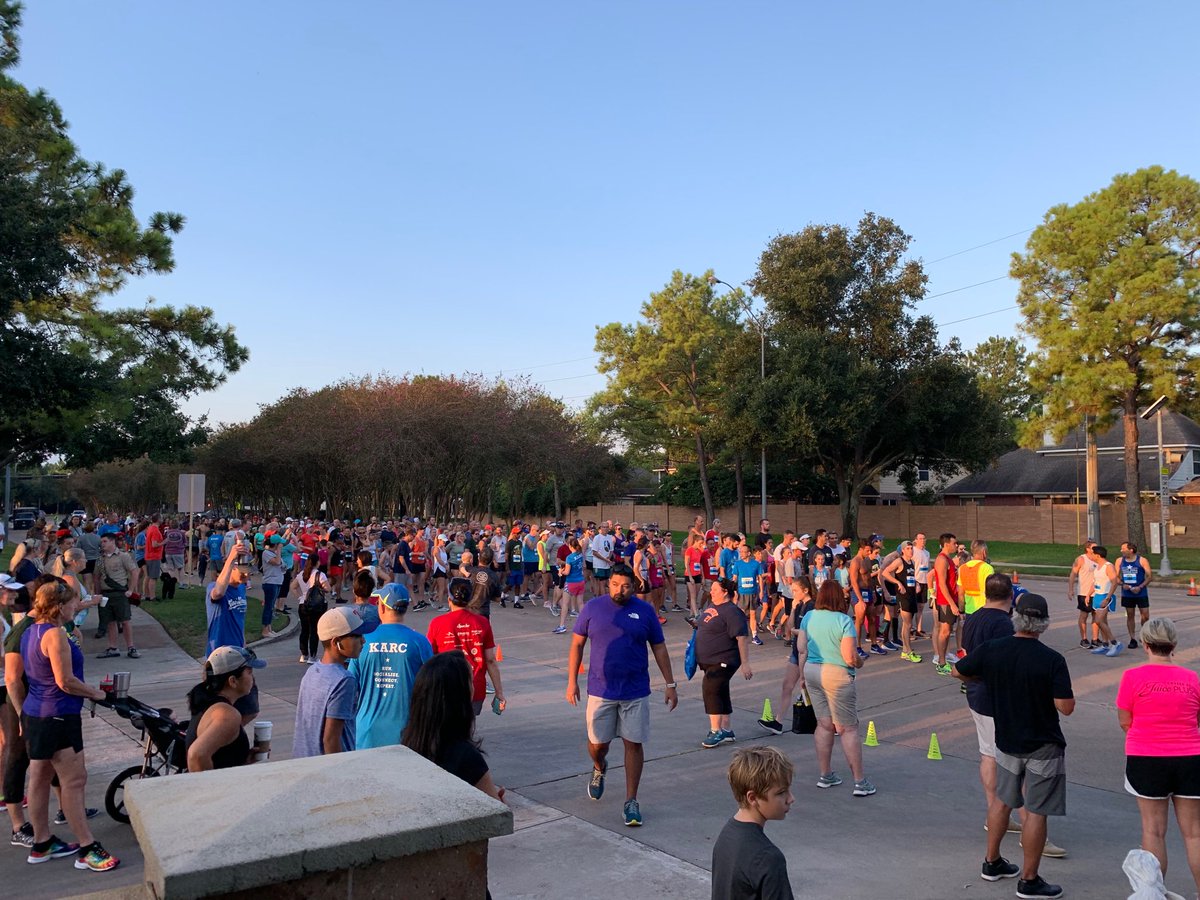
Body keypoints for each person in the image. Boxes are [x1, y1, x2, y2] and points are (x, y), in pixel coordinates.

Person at [953, 593, 1073, 900]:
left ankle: (992, 861)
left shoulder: (994, 649)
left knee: (1002, 801)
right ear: (1044, 624)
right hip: (1043, 743)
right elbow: (1066, 706)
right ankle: (1029, 880)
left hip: (1006, 739)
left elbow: (957, 670)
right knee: (1037, 811)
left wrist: (984, 676)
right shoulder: (1052, 659)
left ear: (1015, 618)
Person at [17, 580, 118, 871]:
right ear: (60, 607)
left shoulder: (30, 630)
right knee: (74, 781)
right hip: (58, 714)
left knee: (39, 778)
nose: (77, 605)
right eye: (73, 602)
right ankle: (87, 848)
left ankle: (41, 843)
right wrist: (97, 693)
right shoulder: (54, 635)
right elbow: (65, 681)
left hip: (35, 713)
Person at [567, 561, 677, 827]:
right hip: (601, 690)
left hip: (635, 690)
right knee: (598, 744)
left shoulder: (645, 611)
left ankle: (631, 800)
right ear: (608, 584)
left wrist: (670, 684)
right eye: (615, 585)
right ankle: (599, 766)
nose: (619, 590)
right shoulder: (593, 608)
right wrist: (572, 682)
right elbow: (577, 644)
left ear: (633, 587)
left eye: (626, 586)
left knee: (633, 743)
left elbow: (659, 647)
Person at [1116, 616, 1200, 895]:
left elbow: (1125, 721)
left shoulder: (1132, 677)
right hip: (1189, 756)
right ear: (1173, 645)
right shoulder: (1191, 678)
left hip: (1147, 757)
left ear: (1145, 644)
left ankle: (1154, 894)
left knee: (1153, 830)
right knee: (1194, 833)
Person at [795, 580, 874, 797]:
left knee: (824, 724)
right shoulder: (844, 620)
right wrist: (860, 663)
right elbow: (849, 657)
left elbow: (801, 648)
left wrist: (802, 675)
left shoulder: (809, 616)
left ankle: (825, 774)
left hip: (812, 670)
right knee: (848, 728)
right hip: (836, 674)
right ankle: (859, 781)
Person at [349, 584, 433, 749]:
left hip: (367, 730)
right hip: (407, 731)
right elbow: (431, 688)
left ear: (381, 607)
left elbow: (350, 686)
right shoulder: (420, 642)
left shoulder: (363, 640)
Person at [710, 745, 795, 900]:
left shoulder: (727, 835)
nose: (790, 799)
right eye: (781, 792)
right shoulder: (768, 858)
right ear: (753, 798)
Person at [292, 607, 370, 758]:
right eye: (357, 636)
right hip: (331, 765)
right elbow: (331, 740)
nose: (363, 640)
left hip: (304, 760)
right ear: (336, 642)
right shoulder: (344, 680)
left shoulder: (312, 671)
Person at [427, 577, 504, 717]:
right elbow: (490, 660)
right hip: (475, 687)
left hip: (446, 687)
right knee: (468, 724)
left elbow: (429, 658)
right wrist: (499, 692)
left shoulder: (437, 623)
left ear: (449, 599)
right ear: (470, 599)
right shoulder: (482, 623)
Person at [185, 646, 266, 771]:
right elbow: (196, 756)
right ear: (233, 681)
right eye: (249, 672)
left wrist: (241, 760)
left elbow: (218, 758)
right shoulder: (227, 715)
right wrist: (211, 784)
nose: (253, 678)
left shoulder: (209, 704)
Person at [694, 577, 752, 749]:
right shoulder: (713, 606)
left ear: (725, 592)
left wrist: (745, 663)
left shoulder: (732, 612)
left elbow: (742, 638)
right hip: (709, 660)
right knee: (721, 690)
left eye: (715, 589)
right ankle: (726, 730)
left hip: (724, 659)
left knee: (711, 688)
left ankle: (716, 730)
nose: (711, 592)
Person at [93, 534, 140, 659]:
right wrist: (97, 594)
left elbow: (134, 572)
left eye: (105, 541)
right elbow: (96, 578)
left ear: (112, 542)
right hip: (105, 593)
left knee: (125, 621)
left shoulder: (123, 556)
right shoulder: (100, 559)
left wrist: (131, 590)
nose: (102, 544)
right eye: (101, 542)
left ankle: (131, 647)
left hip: (120, 592)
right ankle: (113, 647)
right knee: (110, 622)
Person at [931, 533, 961, 674]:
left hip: (951, 600)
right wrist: (952, 604)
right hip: (945, 602)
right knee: (944, 631)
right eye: (954, 543)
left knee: (948, 632)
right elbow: (942, 585)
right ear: (946, 544)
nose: (956, 545)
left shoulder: (949, 559)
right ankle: (941, 663)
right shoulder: (942, 559)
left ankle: (944, 659)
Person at [294, 553, 331, 664]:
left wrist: (300, 597)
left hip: (303, 604)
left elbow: (293, 587)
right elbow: (328, 588)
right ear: (317, 562)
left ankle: (304, 654)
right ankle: (312, 656)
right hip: (316, 605)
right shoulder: (320, 575)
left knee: (304, 630)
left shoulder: (301, 574)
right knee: (314, 630)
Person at [1088, 545, 1124, 657]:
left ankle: (1115, 643)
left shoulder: (1108, 566)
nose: (1090, 555)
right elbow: (1095, 583)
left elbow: (1114, 582)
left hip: (1106, 596)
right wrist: (1088, 595)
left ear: (1098, 555)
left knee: (1098, 621)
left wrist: (1108, 598)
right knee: (1103, 622)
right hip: (1097, 595)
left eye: (1092, 554)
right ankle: (1105, 644)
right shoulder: (1097, 567)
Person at [1119, 542, 1152, 650]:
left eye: (1123, 549)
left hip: (1141, 592)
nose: (1121, 551)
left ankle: (1144, 635)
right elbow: (1115, 577)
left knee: (1145, 615)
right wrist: (1123, 584)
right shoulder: (1119, 561)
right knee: (1130, 615)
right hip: (1127, 593)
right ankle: (1132, 638)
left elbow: (1149, 576)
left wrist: (1140, 587)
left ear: (1131, 550)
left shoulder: (1142, 560)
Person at [1067, 539, 1097, 649]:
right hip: (1084, 592)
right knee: (1084, 615)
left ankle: (1095, 639)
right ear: (1088, 549)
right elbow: (1073, 574)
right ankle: (1084, 639)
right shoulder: (1081, 559)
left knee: (1096, 615)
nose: (1096, 549)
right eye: (1094, 547)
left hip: (1096, 592)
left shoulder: (1098, 558)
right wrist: (1071, 589)